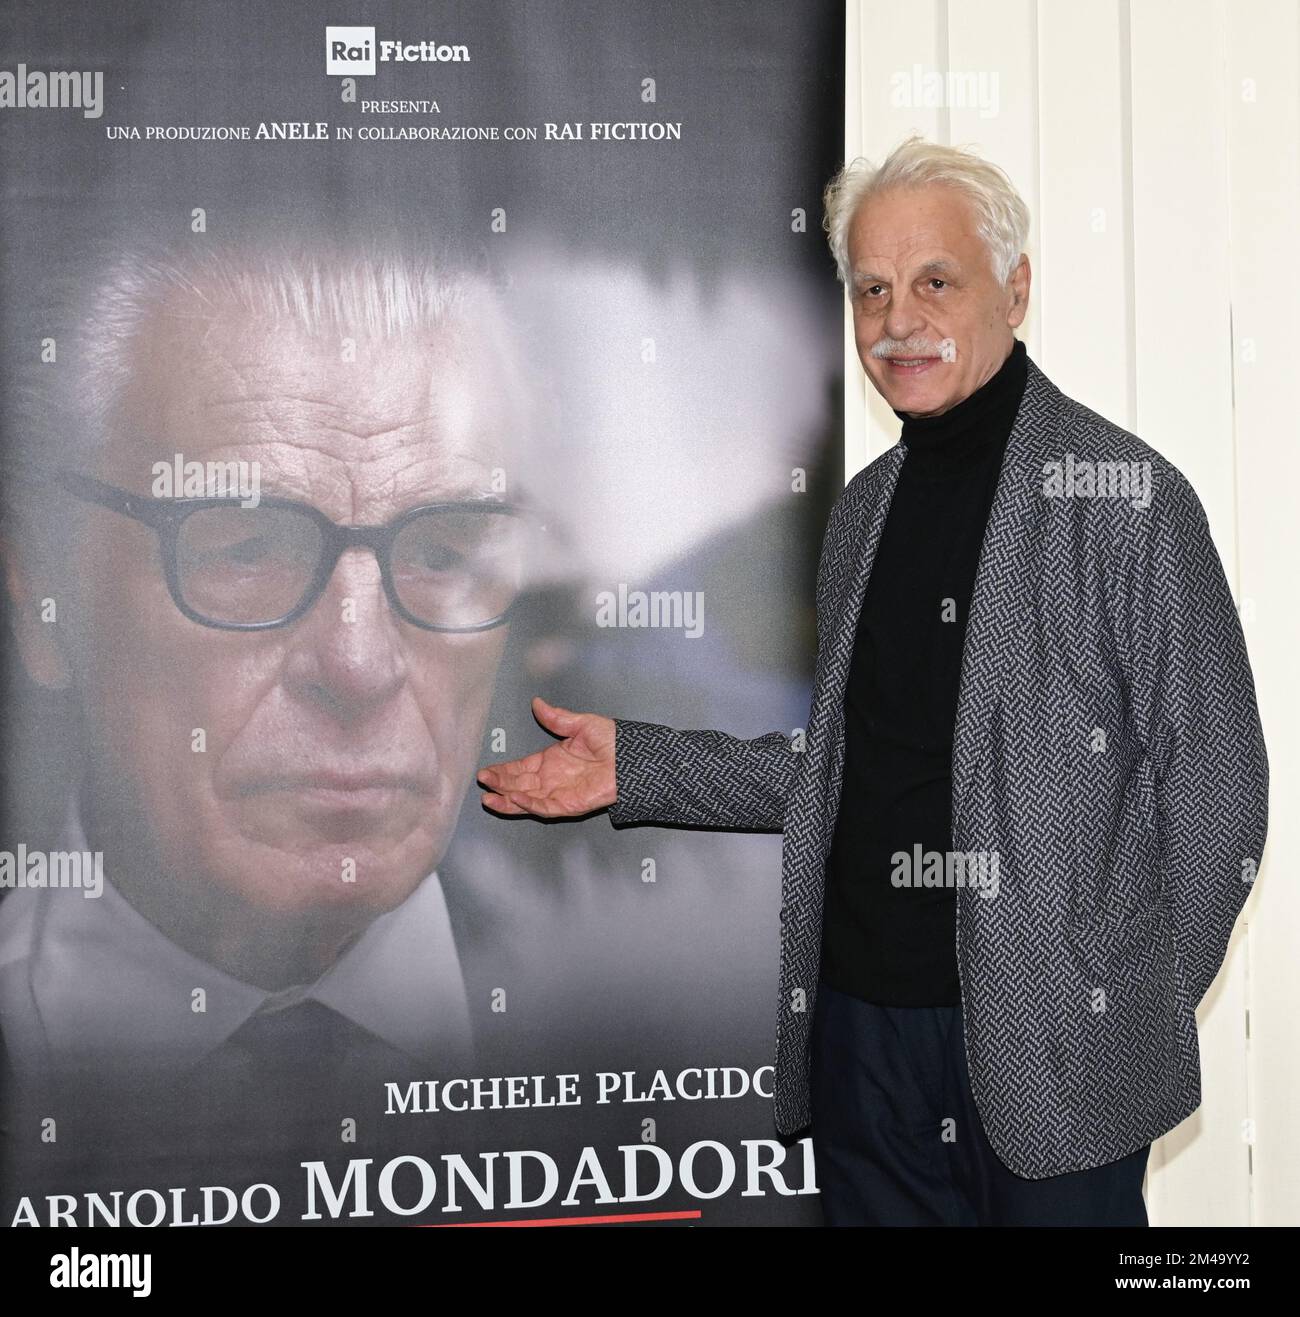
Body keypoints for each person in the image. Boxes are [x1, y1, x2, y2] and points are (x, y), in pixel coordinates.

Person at [477, 135, 1270, 1226]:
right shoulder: (864, 508)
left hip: (1052, 1062)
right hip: (861, 1043)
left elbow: (1221, 794)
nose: (899, 322)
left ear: (1016, 287)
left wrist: (1108, 1015)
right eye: (872, 290)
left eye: (935, 282)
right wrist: (643, 766)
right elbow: (846, 771)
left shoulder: (1127, 500)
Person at [0, 242, 542, 1197]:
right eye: (246, 546)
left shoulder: (708, 1028)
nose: (360, 663)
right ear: (42, 596)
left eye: (444, 550)